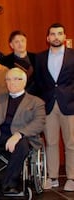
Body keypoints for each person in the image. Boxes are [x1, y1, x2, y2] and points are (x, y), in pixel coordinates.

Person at [0, 68, 45, 196]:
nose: (12, 82)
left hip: (22, 137)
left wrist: (19, 134)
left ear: (24, 82)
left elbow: (39, 123)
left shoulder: (36, 102)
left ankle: (9, 185)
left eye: (16, 79)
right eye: (8, 79)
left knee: (22, 145)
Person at [35, 23, 74, 191]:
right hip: (48, 105)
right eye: (53, 34)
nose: (56, 37)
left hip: (70, 105)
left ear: (65, 37)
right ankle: (52, 177)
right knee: (50, 142)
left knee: (71, 143)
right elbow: (37, 83)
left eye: (59, 34)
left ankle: (72, 178)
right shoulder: (40, 58)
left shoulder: (73, 56)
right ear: (48, 38)